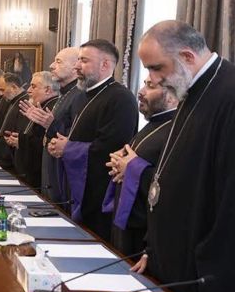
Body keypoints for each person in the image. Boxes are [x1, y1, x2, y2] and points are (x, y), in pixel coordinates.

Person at [133, 20, 235, 292]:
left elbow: (228, 210)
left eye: (156, 68)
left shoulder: (228, 95)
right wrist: (154, 250)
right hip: (172, 266)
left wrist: (213, 290)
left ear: (188, 56)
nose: (153, 79)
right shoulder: (191, 90)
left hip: (205, 281)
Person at [47, 40, 137, 241]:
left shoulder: (121, 98)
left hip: (100, 194)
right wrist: (62, 144)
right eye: (78, 60)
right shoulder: (84, 96)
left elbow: (111, 149)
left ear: (105, 65)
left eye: (84, 61)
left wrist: (68, 148)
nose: (77, 66)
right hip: (79, 187)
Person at [101, 77, 176, 257]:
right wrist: (120, 163)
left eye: (150, 86)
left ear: (172, 96)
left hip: (145, 232)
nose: (141, 92)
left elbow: (173, 184)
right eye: (143, 84)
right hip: (127, 225)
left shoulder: (175, 131)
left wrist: (132, 168)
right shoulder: (153, 124)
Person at [20, 47, 85, 202]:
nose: (51, 65)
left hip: (64, 177)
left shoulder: (79, 95)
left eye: (58, 61)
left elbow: (75, 136)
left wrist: (50, 124)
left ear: (75, 67)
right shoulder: (65, 94)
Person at [12, 71, 59, 188]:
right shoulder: (43, 106)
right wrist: (21, 138)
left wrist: (21, 141)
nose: (28, 90)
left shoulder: (50, 109)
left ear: (47, 90)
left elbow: (42, 143)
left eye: (33, 86)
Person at [0, 73, 29, 170]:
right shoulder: (13, 100)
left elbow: (19, 132)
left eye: (3, 90)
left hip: (14, 159)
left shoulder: (24, 103)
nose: (1, 94)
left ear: (14, 87)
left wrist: (2, 138)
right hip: (5, 154)